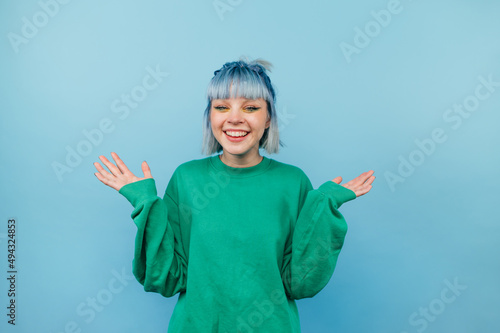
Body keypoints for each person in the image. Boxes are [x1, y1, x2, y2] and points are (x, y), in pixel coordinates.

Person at [93, 57, 375, 332]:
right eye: (222, 107)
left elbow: (299, 282)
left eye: (251, 107)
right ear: (210, 116)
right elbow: (166, 277)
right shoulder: (187, 179)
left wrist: (324, 206)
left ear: (268, 119)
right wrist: (145, 204)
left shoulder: (293, 182)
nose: (235, 118)